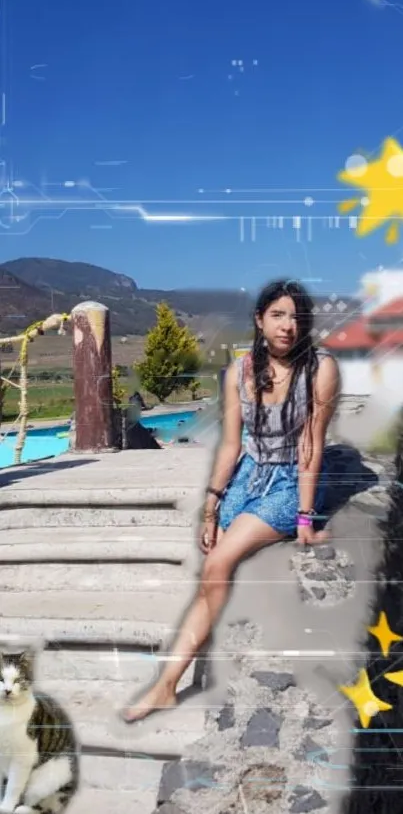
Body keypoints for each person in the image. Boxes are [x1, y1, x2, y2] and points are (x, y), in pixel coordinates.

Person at [121, 278, 340, 723]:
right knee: (211, 565)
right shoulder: (240, 372)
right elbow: (230, 445)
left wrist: (303, 517)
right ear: (259, 321)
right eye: (277, 315)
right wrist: (211, 506)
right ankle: (169, 681)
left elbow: (311, 446)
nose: (287, 326)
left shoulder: (321, 369)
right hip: (247, 476)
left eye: (296, 317)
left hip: (285, 482)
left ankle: (166, 685)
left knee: (218, 564)